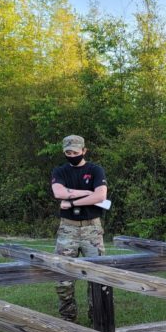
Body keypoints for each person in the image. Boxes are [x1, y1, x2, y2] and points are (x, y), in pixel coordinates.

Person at [50, 135, 108, 322]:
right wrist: (86, 193)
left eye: (75, 152)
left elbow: (100, 197)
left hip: (92, 228)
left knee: (98, 277)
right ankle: (68, 318)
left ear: (84, 150)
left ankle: (98, 318)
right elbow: (58, 192)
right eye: (68, 152)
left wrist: (71, 200)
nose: (72, 155)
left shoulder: (95, 170)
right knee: (63, 277)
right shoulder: (60, 171)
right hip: (68, 229)